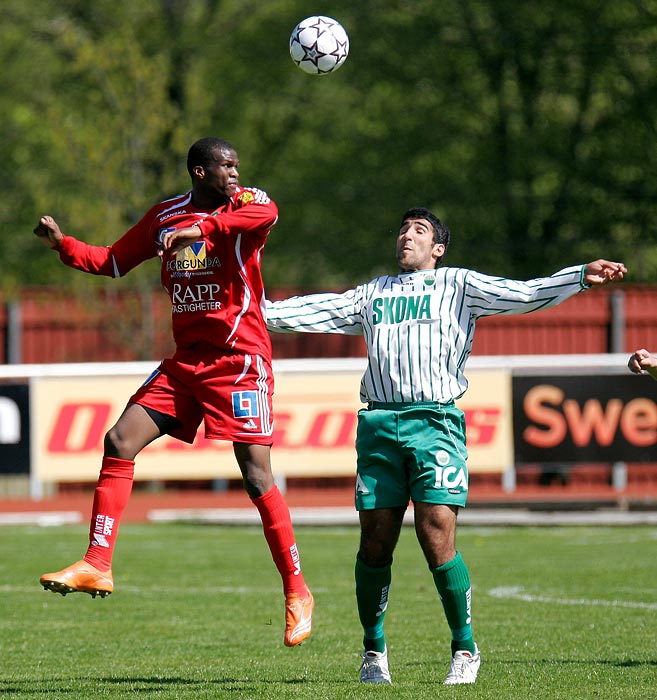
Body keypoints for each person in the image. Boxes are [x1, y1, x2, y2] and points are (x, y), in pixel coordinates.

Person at [263, 207, 627, 684]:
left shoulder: (459, 285)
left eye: (419, 231)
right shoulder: (373, 294)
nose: (406, 236)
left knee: (436, 530)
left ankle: (465, 647)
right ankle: (374, 652)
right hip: (378, 423)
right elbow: (312, 310)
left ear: (438, 249)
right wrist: (250, 310)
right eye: (402, 229)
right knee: (375, 542)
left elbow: (524, 294)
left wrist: (578, 275)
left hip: (435, 421)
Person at [33, 136, 314, 647]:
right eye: (224, 165)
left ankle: (297, 589)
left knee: (255, 475)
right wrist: (64, 245)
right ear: (198, 172)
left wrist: (198, 229)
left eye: (236, 164)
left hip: (239, 361)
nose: (234, 172)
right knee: (119, 440)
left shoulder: (248, 203)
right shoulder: (164, 215)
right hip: (187, 363)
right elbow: (114, 260)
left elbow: (266, 213)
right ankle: (98, 562)